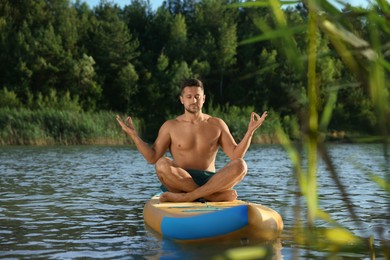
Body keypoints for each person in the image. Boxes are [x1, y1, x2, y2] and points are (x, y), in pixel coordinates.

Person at [116, 78, 267, 202]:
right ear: (182, 100)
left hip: (211, 181)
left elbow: (236, 155)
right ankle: (210, 196)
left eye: (197, 96)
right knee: (161, 164)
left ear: (204, 99)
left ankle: (189, 197)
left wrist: (250, 132)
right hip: (179, 181)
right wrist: (134, 136)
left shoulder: (217, 124)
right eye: (189, 97)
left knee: (241, 165)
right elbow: (152, 157)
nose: (193, 100)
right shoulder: (170, 126)